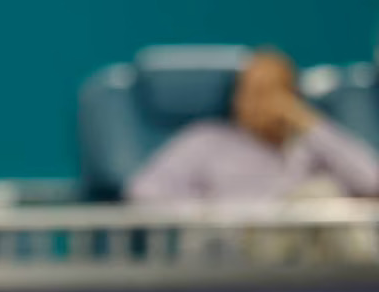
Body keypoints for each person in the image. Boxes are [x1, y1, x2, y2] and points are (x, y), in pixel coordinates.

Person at [127, 50, 379, 262]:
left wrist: (308, 122)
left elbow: (371, 181)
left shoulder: (312, 144)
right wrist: (209, 216)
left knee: (324, 196)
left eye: (270, 92)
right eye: (249, 91)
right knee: (321, 195)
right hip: (238, 247)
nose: (257, 102)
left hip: (312, 255)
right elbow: (143, 191)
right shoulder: (207, 140)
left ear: (292, 97)